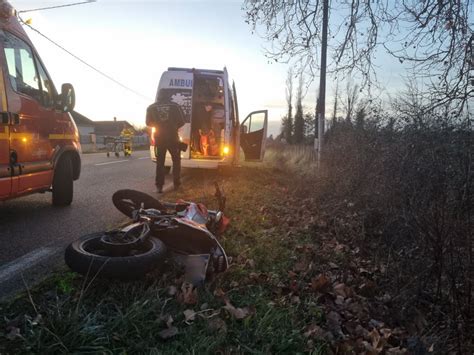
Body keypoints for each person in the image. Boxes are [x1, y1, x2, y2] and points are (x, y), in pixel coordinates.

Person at [146, 103, 185, 193]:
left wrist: (159, 126)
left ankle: (159, 187)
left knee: (160, 163)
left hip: (160, 138)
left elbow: (148, 122)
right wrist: (173, 127)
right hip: (173, 137)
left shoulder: (151, 107)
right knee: (176, 161)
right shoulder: (175, 106)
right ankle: (177, 185)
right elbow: (182, 121)